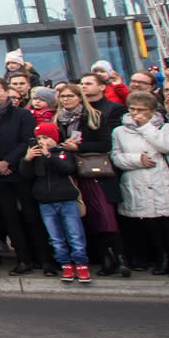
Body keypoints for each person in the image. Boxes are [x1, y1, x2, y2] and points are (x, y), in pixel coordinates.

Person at [111, 90, 169, 277]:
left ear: (151, 110)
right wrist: (137, 159)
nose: (135, 113)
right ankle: (162, 259)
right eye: (132, 109)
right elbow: (116, 157)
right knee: (152, 224)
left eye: (141, 109)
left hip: (163, 179)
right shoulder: (119, 131)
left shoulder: (165, 126)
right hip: (138, 180)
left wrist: (145, 127)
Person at [55, 81, 129, 276]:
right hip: (71, 172)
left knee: (105, 215)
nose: (66, 100)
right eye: (62, 97)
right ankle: (103, 259)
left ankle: (119, 258)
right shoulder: (58, 120)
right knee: (85, 217)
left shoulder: (94, 117)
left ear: (80, 97)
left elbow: (105, 144)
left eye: (70, 96)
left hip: (93, 172)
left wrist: (78, 147)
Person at [0, 78, 46, 276]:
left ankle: (42, 258)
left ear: (6, 92)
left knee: (31, 215)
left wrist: (8, 162)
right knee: (10, 218)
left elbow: (26, 140)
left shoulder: (22, 115)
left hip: (20, 171)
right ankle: (23, 258)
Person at [26, 123, 90, 283]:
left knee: (75, 234)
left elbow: (67, 168)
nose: (42, 141)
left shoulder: (63, 153)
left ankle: (81, 264)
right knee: (56, 237)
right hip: (46, 202)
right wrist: (27, 160)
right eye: (39, 138)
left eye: (46, 137)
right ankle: (65, 264)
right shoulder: (36, 156)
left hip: (66, 199)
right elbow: (27, 175)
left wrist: (49, 156)